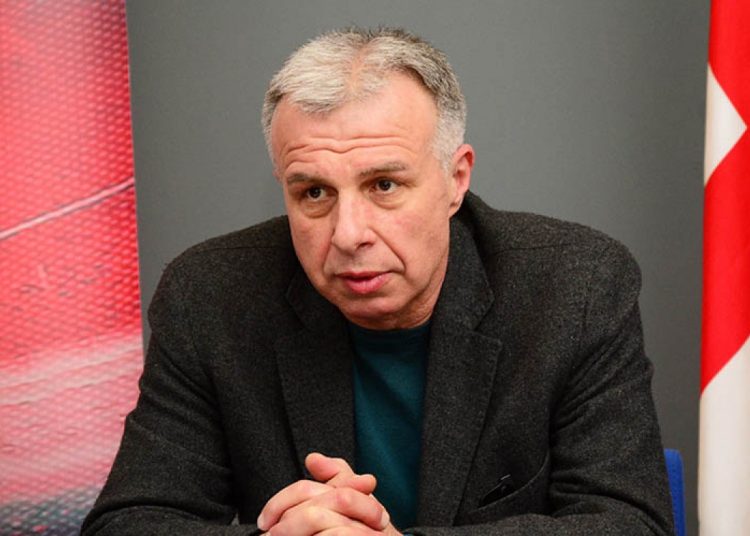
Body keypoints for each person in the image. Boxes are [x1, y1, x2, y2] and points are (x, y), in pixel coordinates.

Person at [82, 27, 674, 535]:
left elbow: (629, 524)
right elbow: (128, 522)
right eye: (314, 192)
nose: (348, 234)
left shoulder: (576, 287)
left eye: (384, 185)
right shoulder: (209, 296)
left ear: (455, 180)